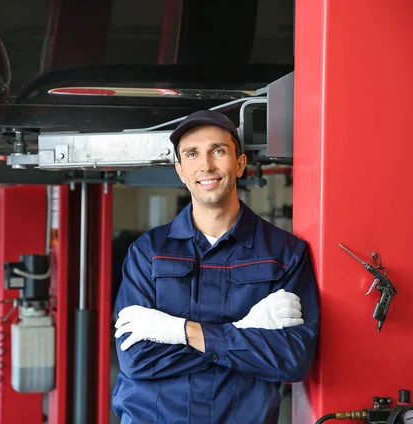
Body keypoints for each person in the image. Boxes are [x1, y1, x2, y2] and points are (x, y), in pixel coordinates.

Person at [111, 110, 320, 424]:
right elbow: (136, 359)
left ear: (239, 163)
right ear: (181, 171)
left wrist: (177, 331)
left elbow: (292, 360)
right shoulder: (149, 252)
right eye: (192, 154)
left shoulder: (285, 253)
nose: (206, 165)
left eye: (218, 151)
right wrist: (245, 333)